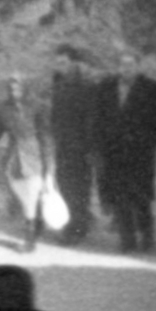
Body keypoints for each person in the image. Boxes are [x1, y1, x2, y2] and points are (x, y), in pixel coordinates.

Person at [95, 51, 156, 254]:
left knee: (141, 196)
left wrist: (150, 143)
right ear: (117, 67)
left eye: (130, 64)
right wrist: (102, 145)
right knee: (120, 197)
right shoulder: (106, 87)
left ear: (138, 66)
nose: (125, 68)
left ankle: (147, 237)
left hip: (141, 152)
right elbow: (98, 119)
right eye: (122, 64)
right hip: (114, 152)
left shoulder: (154, 89)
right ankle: (127, 240)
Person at [0, 72, 50, 252]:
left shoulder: (39, 106)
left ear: (25, 88)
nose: (14, 90)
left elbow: (44, 136)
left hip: (33, 154)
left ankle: (29, 241)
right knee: (22, 195)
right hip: (13, 156)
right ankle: (34, 223)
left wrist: (49, 165)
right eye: (11, 87)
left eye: (18, 86)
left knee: (30, 197)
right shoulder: (2, 107)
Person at [50, 45, 101, 245]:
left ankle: (77, 229)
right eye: (57, 62)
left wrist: (90, 147)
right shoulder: (59, 81)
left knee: (78, 187)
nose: (59, 66)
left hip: (80, 145)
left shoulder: (86, 85)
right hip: (63, 143)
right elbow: (56, 113)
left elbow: (92, 118)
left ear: (73, 63)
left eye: (63, 63)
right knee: (65, 184)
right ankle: (77, 222)